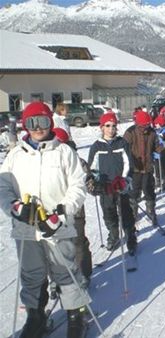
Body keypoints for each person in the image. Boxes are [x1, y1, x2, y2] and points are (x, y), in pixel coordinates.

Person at [0, 102, 90, 338]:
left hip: (56, 226)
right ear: (25, 125)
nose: (38, 128)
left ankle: (76, 316)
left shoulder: (63, 152)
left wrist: (61, 214)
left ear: (51, 122)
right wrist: (14, 207)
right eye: (32, 123)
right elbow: (3, 186)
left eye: (43, 122)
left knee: (66, 272)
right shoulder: (16, 155)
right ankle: (35, 316)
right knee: (31, 274)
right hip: (26, 227)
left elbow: (78, 186)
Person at [87, 112, 137, 253]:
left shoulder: (122, 143)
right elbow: (92, 168)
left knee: (126, 214)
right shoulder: (96, 147)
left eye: (114, 126)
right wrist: (94, 182)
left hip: (120, 185)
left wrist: (125, 179)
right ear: (101, 127)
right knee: (109, 214)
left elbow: (129, 164)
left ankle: (130, 237)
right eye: (108, 126)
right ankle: (114, 235)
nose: (111, 129)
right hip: (106, 188)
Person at [53, 128, 93, 284]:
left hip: (75, 211)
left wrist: (96, 185)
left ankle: (83, 273)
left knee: (77, 242)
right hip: (52, 212)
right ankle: (56, 280)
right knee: (55, 245)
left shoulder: (77, 160)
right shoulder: (44, 160)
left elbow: (88, 181)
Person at [123, 110, 161, 225]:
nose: (146, 127)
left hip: (148, 167)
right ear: (138, 124)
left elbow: (157, 146)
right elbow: (124, 149)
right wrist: (129, 161)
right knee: (134, 192)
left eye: (148, 125)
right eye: (144, 125)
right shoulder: (130, 132)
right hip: (134, 168)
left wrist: (163, 151)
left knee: (149, 190)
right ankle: (133, 213)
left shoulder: (152, 132)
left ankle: (151, 210)